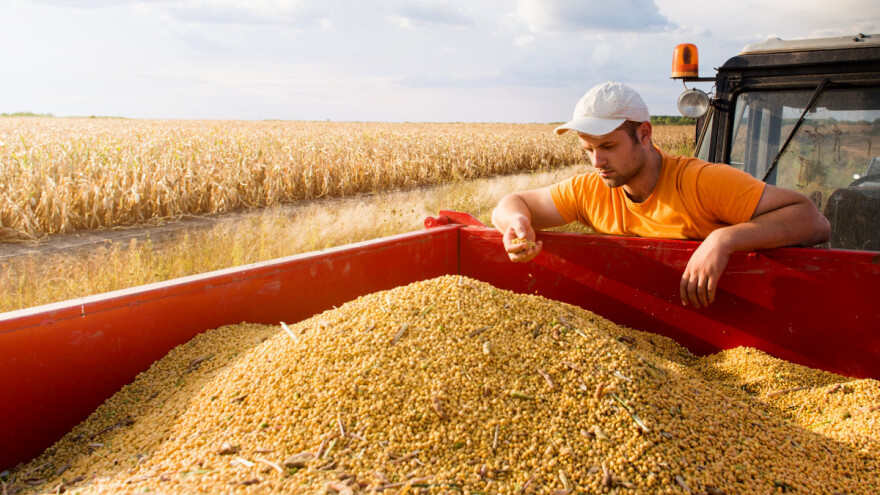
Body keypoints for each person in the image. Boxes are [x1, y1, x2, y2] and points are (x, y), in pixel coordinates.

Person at [491, 81, 830, 308]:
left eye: (608, 146)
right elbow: (510, 205)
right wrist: (517, 223)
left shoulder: (701, 183)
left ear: (644, 133)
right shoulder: (589, 190)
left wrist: (722, 240)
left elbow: (812, 221)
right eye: (588, 150)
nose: (598, 161)